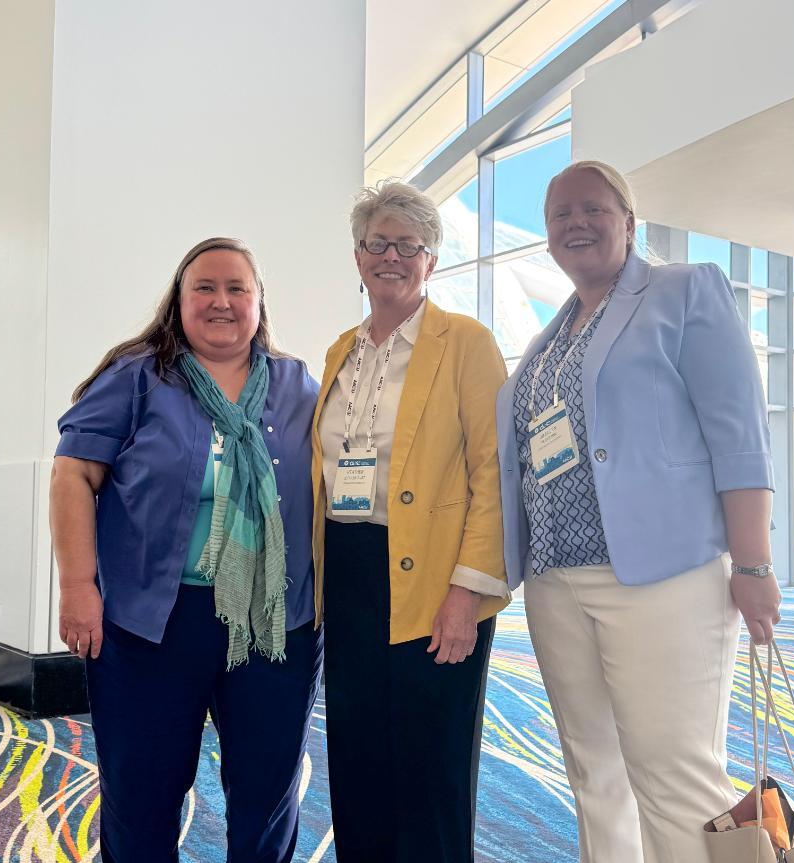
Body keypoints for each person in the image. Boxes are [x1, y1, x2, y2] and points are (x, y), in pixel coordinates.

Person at [495, 161, 782, 863]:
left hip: (663, 575)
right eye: (560, 215)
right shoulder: (548, 339)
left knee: (674, 774)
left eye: (593, 208)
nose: (576, 223)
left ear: (630, 221)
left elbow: (739, 439)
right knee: (595, 776)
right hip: (556, 583)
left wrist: (752, 563)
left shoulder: (685, 292)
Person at [49, 237, 321, 863]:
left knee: (267, 793)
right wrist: (77, 588)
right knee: (141, 793)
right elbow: (73, 476)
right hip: (151, 622)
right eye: (205, 287)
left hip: (273, 624)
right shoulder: (138, 375)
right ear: (179, 300)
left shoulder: (298, 384)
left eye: (237, 289)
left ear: (259, 302)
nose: (221, 301)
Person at [311, 181, 509, 862]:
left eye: (408, 245)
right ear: (358, 255)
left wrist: (468, 593)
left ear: (431, 259)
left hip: (435, 581)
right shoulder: (341, 350)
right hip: (349, 575)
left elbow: (495, 475)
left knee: (432, 769)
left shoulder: (467, 344)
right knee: (358, 756)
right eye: (377, 243)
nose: (390, 255)